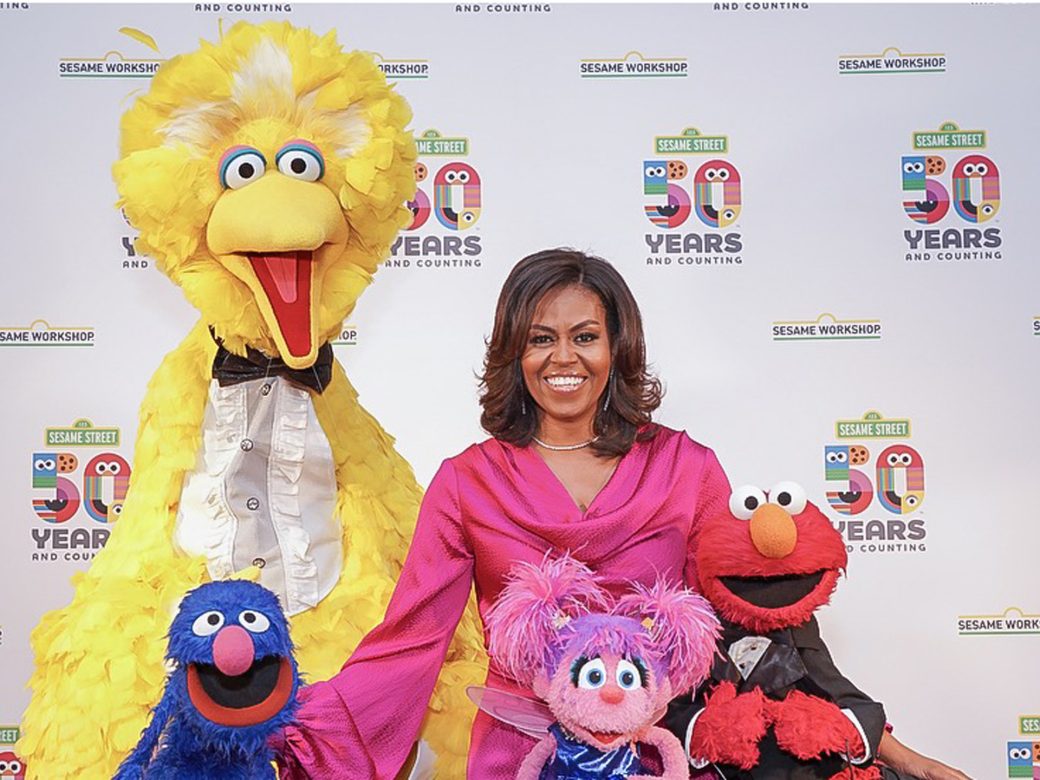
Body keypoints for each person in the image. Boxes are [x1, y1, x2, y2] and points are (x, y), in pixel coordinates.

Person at [275, 249, 969, 780]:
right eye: (541, 338)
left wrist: (887, 745)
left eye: (585, 336)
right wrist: (275, 732)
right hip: (523, 758)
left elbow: (763, 626)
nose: (563, 358)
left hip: (664, 754)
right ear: (514, 353)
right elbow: (409, 643)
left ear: (618, 348)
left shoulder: (687, 468)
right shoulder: (467, 483)